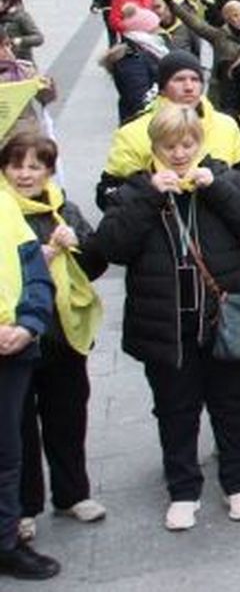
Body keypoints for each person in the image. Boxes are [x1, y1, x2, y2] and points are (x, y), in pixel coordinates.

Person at [85, 105, 240, 530]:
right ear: (155, 148)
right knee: (175, 409)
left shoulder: (221, 175)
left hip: (221, 317)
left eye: (188, 144)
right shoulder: (135, 189)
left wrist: (218, 188)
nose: (180, 154)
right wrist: (151, 196)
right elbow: (112, 247)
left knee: (232, 405)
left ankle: (237, 483)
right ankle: (183, 490)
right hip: (165, 324)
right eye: (170, 146)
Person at [2, 132, 107, 550]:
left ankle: (72, 494)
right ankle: (23, 507)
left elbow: (98, 262)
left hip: (63, 334)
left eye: (35, 166)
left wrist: (77, 246)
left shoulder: (62, 209)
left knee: (67, 417)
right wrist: (34, 263)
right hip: (16, 338)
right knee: (18, 427)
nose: (25, 174)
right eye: (16, 165)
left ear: (49, 170)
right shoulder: (6, 213)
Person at [99, 50, 240, 209]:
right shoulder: (131, 133)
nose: (189, 87)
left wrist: (218, 183)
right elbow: (107, 195)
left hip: (219, 223)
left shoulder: (226, 124)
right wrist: (150, 188)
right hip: (161, 223)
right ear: (162, 88)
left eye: (195, 79)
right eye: (179, 80)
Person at [0, 179, 58, 579]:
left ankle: (5, 542)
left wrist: (29, 322)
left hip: (13, 347)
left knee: (7, 453)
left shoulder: (4, 203)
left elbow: (33, 269)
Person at [0, 0, 43, 64]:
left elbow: (39, 38)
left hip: (21, 64)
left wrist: (20, 40)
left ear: (6, 2)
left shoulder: (20, 16)